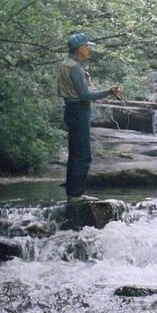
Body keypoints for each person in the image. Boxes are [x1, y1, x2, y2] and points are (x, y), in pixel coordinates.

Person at [58, 32, 120, 203]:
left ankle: (73, 193)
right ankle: (76, 195)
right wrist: (107, 91)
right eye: (86, 47)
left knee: (74, 154)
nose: (88, 50)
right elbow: (85, 95)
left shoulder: (66, 64)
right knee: (84, 155)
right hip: (79, 111)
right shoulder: (75, 68)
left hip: (71, 109)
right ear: (79, 49)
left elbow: (79, 92)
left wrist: (100, 94)